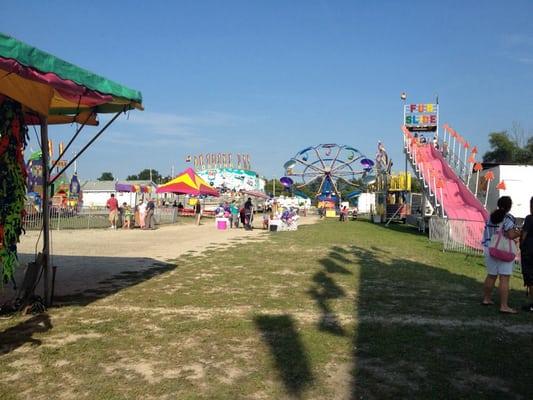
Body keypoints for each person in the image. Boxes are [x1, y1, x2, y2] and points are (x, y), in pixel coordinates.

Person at [481, 196, 521, 314]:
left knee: (491, 275)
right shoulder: (508, 218)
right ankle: (504, 306)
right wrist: (519, 233)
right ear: (509, 206)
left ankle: (486, 299)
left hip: (490, 249)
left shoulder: (491, 217)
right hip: (504, 250)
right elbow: (510, 235)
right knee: (504, 278)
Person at [520, 196, 533, 312]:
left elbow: (524, 234)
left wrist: (520, 245)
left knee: (530, 277)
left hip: (529, 250)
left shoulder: (529, 218)